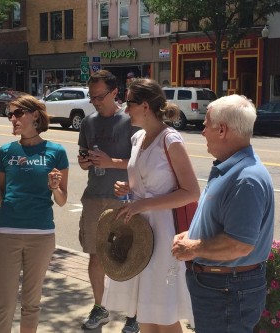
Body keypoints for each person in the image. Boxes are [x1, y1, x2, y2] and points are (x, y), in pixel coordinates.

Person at [103, 78, 201, 333]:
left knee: (164, 316)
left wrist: (142, 203)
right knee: (145, 314)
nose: (125, 109)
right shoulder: (137, 138)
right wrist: (131, 190)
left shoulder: (170, 140)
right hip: (139, 233)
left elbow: (191, 192)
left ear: (145, 106)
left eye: (129, 103)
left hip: (164, 233)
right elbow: (144, 183)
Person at [171, 94, 275, 333]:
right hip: (222, 286)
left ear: (222, 130)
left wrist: (194, 248)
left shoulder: (245, 179)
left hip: (227, 289)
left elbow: (240, 244)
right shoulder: (230, 166)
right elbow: (224, 224)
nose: (202, 131)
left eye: (206, 125)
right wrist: (192, 234)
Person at [0, 95, 68, 333]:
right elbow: (1, 197)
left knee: (31, 303)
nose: (13, 119)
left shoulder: (56, 152)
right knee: (5, 303)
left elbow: (62, 201)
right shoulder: (6, 151)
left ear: (35, 115)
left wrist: (55, 187)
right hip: (7, 232)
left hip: (42, 235)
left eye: (18, 114)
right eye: (10, 114)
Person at [78, 69, 140, 332]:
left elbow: (144, 163)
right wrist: (84, 161)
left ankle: (134, 314)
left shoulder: (131, 121)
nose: (95, 101)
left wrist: (111, 161)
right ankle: (99, 307)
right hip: (94, 197)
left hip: (124, 198)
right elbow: (84, 158)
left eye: (99, 96)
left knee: (129, 257)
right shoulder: (88, 122)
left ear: (115, 92)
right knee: (95, 255)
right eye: (91, 97)